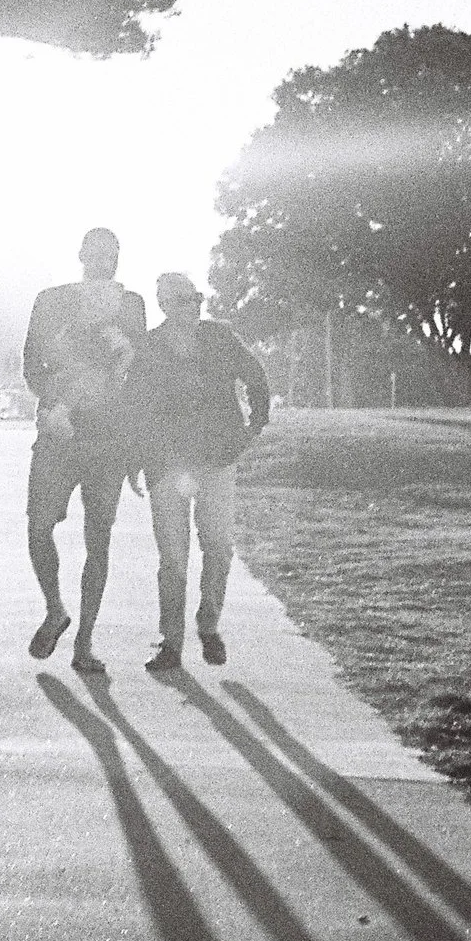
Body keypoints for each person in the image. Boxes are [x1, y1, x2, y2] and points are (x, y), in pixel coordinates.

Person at [21, 228, 149, 673]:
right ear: (80, 255)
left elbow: (140, 375)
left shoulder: (131, 304)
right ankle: (55, 609)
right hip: (59, 430)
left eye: (112, 255)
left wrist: (135, 449)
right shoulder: (51, 299)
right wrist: (52, 401)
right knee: (38, 527)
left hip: (109, 436)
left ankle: (85, 643)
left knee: (99, 537)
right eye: (96, 255)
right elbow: (30, 364)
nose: (104, 263)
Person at [128, 272, 270, 672]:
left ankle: (208, 627)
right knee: (173, 558)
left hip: (216, 460)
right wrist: (135, 462)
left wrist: (254, 424)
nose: (193, 306)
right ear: (165, 305)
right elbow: (137, 408)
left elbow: (255, 374)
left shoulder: (221, 337)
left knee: (219, 547)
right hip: (166, 466)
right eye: (182, 300)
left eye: (195, 298)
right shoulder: (150, 347)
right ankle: (170, 643)